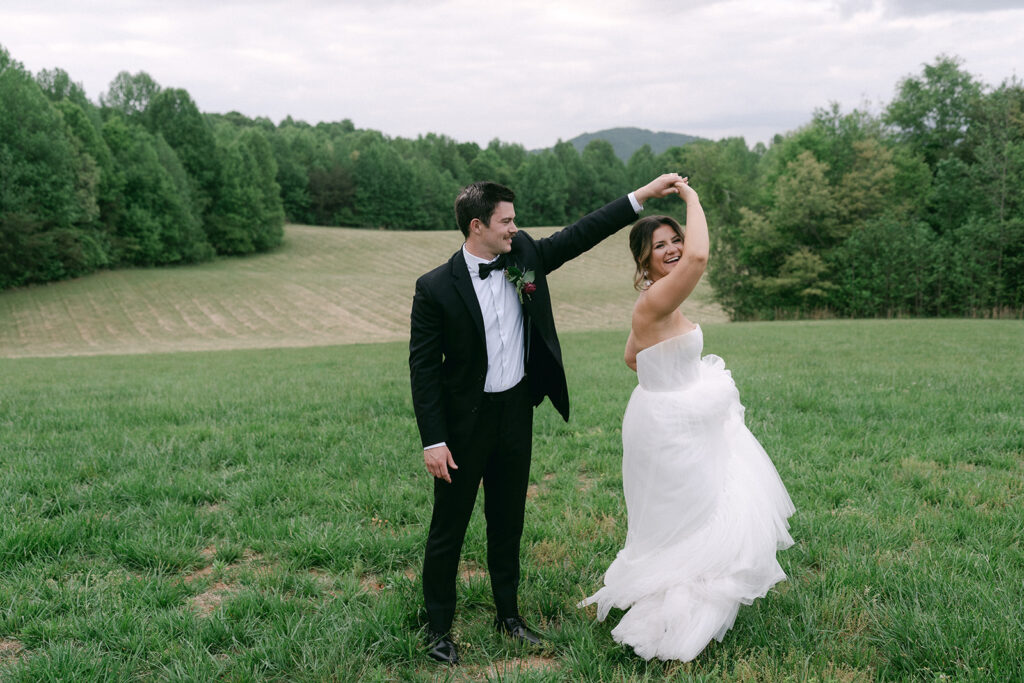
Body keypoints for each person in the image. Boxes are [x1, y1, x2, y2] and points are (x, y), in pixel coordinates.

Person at [409, 174, 684, 665]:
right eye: (507, 221)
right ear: (477, 226)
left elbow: (581, 234)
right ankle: (438, 627)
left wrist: (641, 196)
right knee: (448, 527)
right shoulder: (434, 289)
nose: (516, 228)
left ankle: (509, 616)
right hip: (462, 427)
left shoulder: (525, 257)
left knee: (508, 520)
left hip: (516, 413)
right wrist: (434, 440)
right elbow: (424, 371)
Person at [579, 178, 795, 662]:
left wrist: (675, 381)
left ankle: (681, 589)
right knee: (694, 519)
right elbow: (700, 259)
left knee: (687, 516)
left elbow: (632, 357)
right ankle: (679, 614)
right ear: (644, 260)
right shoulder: (658, 298)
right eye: (661, 245)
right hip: (670, 428)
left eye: (676, 238)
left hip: (666, 416)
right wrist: (692, 198)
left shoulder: (658, 299)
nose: (675, 248)